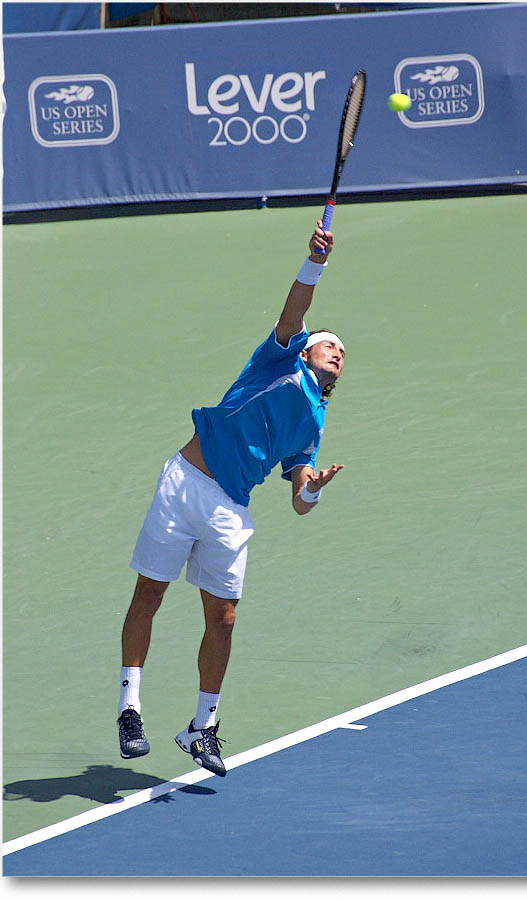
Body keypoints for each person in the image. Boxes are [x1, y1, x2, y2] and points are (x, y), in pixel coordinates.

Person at [117, 220, 346, 776]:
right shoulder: (278, 362)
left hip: (230, 509)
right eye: (329, 343)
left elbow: (297, 497)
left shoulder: (312, 424)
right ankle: (129, 707)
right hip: (184, 483)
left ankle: (203, 727)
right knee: (150, 594)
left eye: (342, 352)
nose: (337, 351)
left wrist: (311, 490)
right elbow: (293, 311)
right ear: (306, 349)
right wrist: (313, 262)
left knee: (222, 620)